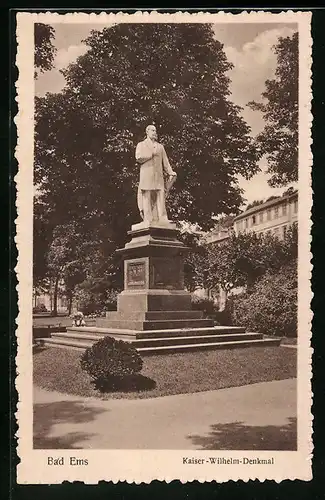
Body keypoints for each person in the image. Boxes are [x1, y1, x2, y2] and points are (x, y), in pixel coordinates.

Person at [135, 124, 177, 223]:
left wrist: (170, 172)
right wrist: (150, 154)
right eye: (152, 131)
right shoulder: (141, 144)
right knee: (147, 196)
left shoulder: (160, 147)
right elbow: (138, 157)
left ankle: (163, 218)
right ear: (147, 132)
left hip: (158, 176)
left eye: (155, 131)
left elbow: (165, 161)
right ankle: (148, 219)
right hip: (147, 174)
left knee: (160, 195)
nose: (155, 133)